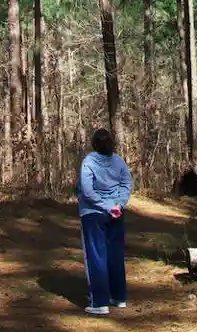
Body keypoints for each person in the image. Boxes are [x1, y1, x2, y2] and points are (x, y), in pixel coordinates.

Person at [76, 128, 133, 316]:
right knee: (114, 254)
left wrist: (109, 206)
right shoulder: (118, 161)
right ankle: (119, 297)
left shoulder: (89, 162)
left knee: (96, 256)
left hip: (93, 214)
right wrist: (118, 204)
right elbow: (126, 184)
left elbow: (87, 191)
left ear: (94, 144)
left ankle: (99, 302)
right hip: (115, 213)